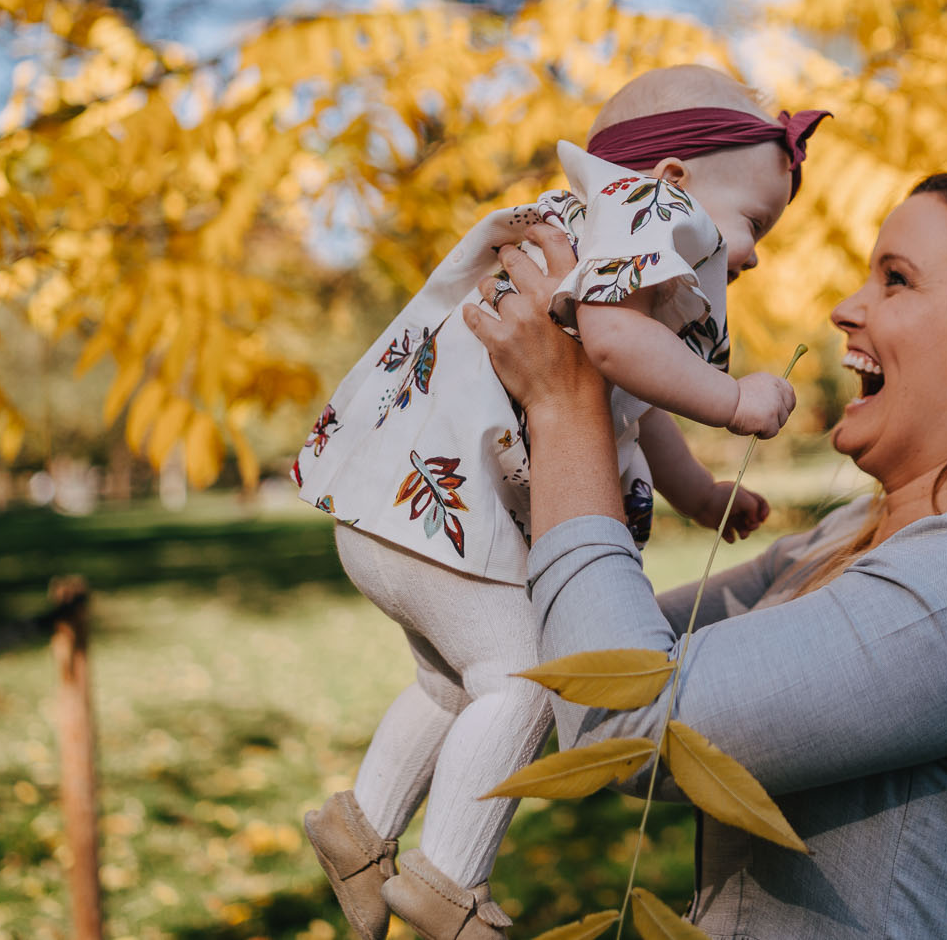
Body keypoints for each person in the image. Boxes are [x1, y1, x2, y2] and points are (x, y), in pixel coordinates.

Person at [465, 174, 947, 938]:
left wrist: (565, 407)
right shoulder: (844, 539)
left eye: (896, 280)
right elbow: (560, 663)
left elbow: (628, 721)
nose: (846, 308)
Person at [298, 65, 832, 940]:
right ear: (674, 181)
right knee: (530, 679)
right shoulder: (648, 215)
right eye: (754, 222)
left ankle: (358, 832)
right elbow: (620, 350)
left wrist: (699, 493)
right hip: (438, 513)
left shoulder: (595, 242)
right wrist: (735, 402)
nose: (756, 251)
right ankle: (447, 882)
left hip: (395, 514)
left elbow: (633, 397)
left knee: (448, 682)